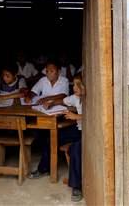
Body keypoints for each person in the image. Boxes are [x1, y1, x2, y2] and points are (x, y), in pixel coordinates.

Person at [29, 73, 84, 202]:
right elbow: (64, 100)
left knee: (75, 149)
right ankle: (44, 169)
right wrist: (52, 102)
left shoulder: (92, 99)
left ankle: (76, 187)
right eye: (74, 84)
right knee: (52, 138)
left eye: (78, 85)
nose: (74, 87)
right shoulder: (76, 98)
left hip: (88, 133)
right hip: (78, 129)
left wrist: (77, 117)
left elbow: (95, 117)